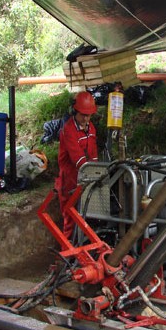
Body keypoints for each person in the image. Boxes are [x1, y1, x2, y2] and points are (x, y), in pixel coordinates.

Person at [55, 91, 98, 239]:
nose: (86, 119)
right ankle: (65, 258)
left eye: (89, 115)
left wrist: (98, 172)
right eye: (83, 115)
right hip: (70, 181)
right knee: (70, 220)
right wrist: (93, 173)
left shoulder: (91, 128)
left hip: (85, 179)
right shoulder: (68, 130)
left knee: (88, 217)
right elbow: (78, 160)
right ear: (75, 112)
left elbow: (93, 156)